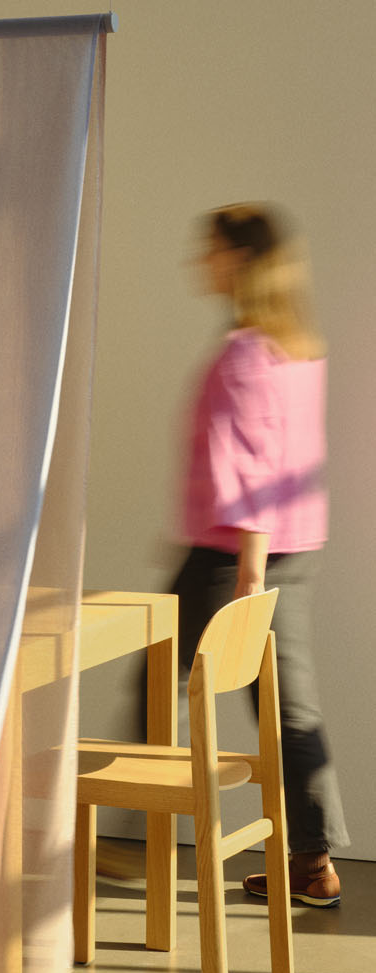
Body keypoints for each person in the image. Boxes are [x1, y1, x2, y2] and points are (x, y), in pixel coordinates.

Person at [169, 202, 348, 905]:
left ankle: (119, 833)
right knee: (288, 707)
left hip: (234, 556)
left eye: (210, 249)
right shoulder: (297, 346)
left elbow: (253, 469)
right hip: (291, 549)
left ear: (240, 259)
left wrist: (247, 574)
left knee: (156, 682)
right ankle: (313, 863)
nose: (200, 261)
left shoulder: (245, 352)